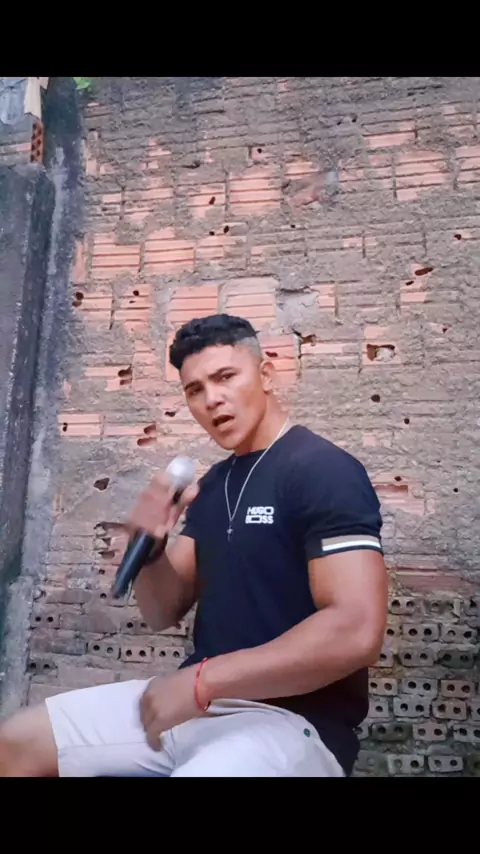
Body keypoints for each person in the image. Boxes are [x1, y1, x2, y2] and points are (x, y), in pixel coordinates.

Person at [0, 314, 388, 777]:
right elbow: (163, 610)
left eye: (225, 377)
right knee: (14, 744)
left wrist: (203, 680)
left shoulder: (323, 470)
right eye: (195, 389)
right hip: (201, 706)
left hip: (291, 722)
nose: (212, 399)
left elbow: (356, 630)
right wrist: (151, 550)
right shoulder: (215, 483)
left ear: (266, 375)